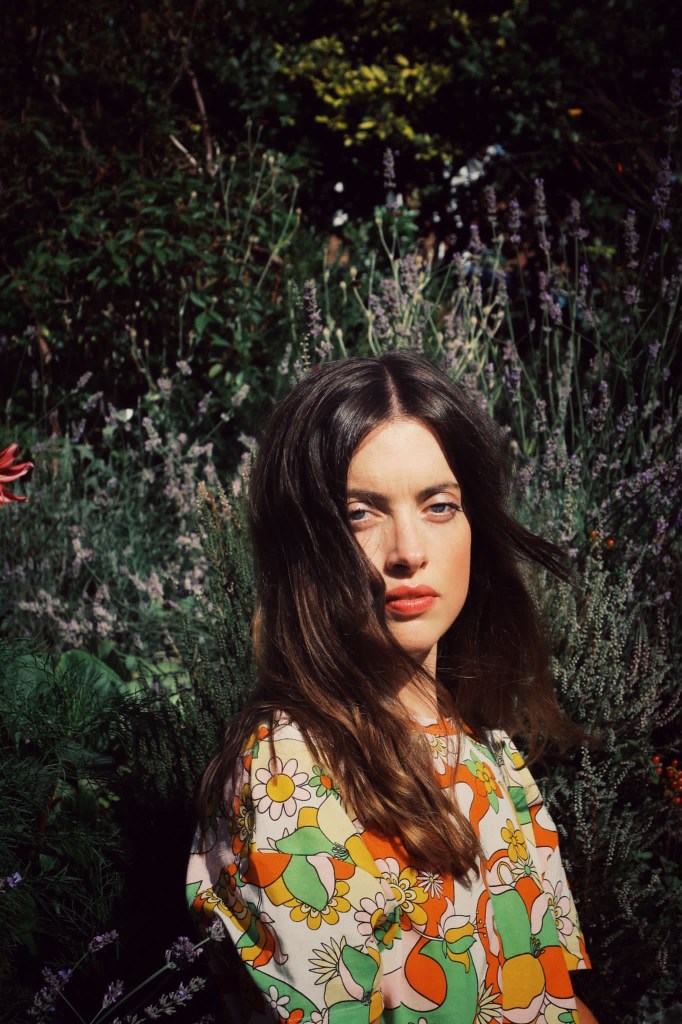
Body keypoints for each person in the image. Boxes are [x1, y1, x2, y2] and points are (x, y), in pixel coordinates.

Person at [187, 352, 598, 1023]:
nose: (408, 551)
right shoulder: (288, 775)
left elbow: (557, 999)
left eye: (439, 506)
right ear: (304, 542)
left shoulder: (483, 744)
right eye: (361, 513)